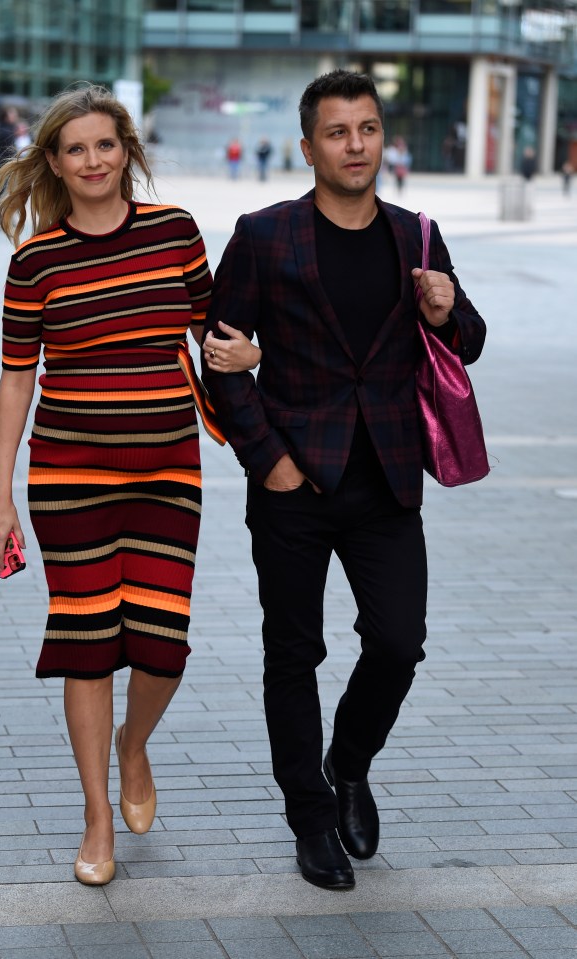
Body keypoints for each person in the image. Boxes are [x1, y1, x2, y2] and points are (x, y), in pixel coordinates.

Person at [202, 69, 485, 891]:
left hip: (388, 484)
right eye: (337, 132)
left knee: (398, 642)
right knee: (292, 653)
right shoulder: (264, 235)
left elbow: (465, 341)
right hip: (294, 486)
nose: (355, 144)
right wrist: (270, 460)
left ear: (381, 137)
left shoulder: (417, 236)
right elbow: (220, 358)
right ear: (307, 146)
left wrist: (443, 309)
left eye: (366, 129)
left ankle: (348, 759)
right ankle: (310, 817)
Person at [0, 84, 260, 887]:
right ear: (55, 163)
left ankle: (134, 745)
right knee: (89, 644)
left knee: (162, 642)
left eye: (105, 145)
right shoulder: (33, 261)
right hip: (67, 478)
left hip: (168, 471)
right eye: (75, 149)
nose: (93, 160)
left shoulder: (175, 233)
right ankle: (97, 814)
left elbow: (211, 330)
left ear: (126, 151)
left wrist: (248, 356)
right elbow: (13, 381)